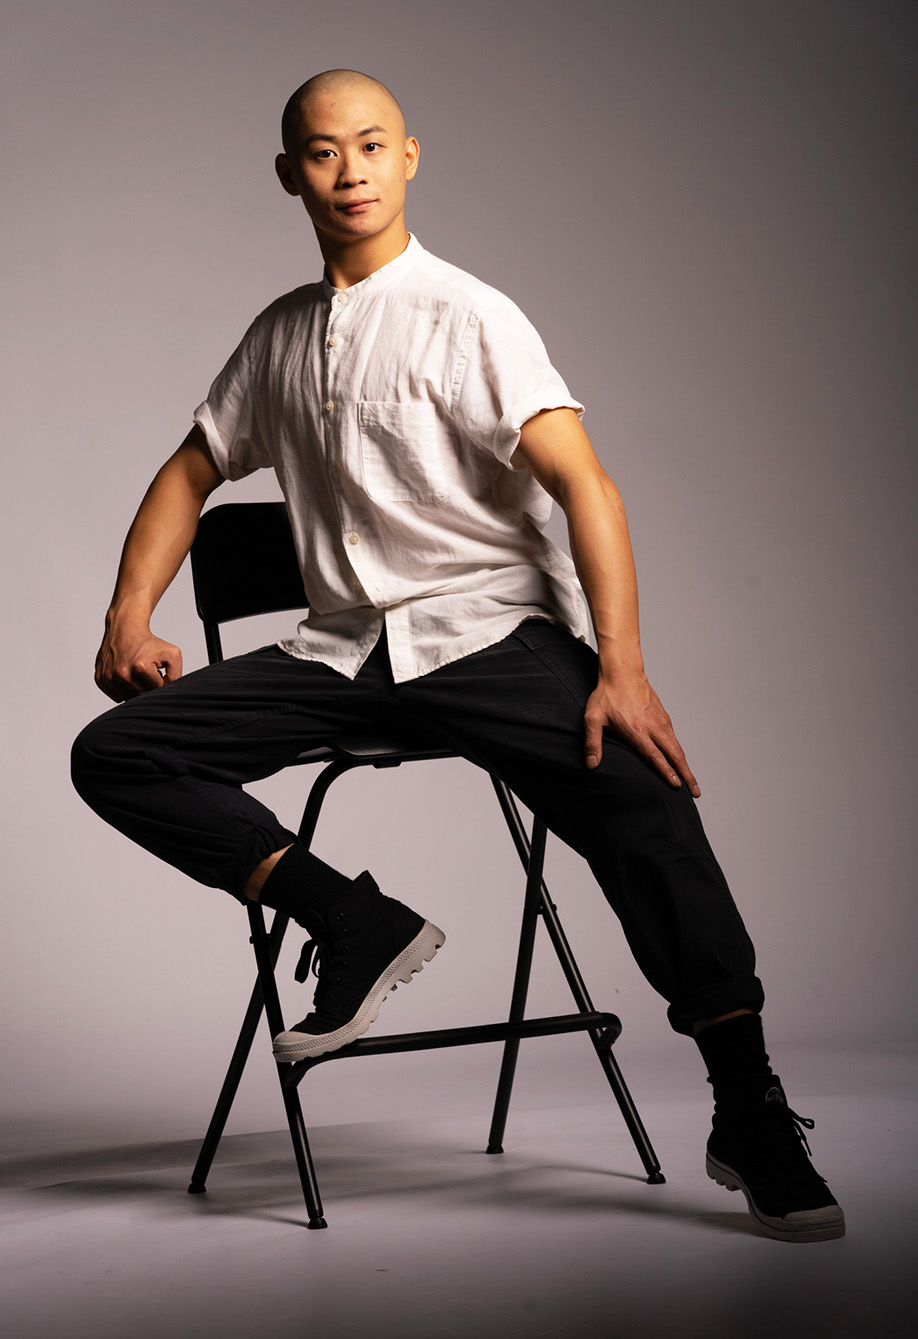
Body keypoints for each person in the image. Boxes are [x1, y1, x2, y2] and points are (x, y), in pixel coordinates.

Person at [72, 69, 843, 1243]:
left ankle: (749, 1108)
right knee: (117, 753)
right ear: (289, 175)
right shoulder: (278, 337)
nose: (351, 170)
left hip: (488, 639)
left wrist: (622, 667)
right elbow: (191, 470)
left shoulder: (471, 314)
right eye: (323, 152)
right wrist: (128, 616)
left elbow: (587, 486)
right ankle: (351, 919)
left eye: (372, 144)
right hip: (343, 652)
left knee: (646, 804)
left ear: (411, 156)